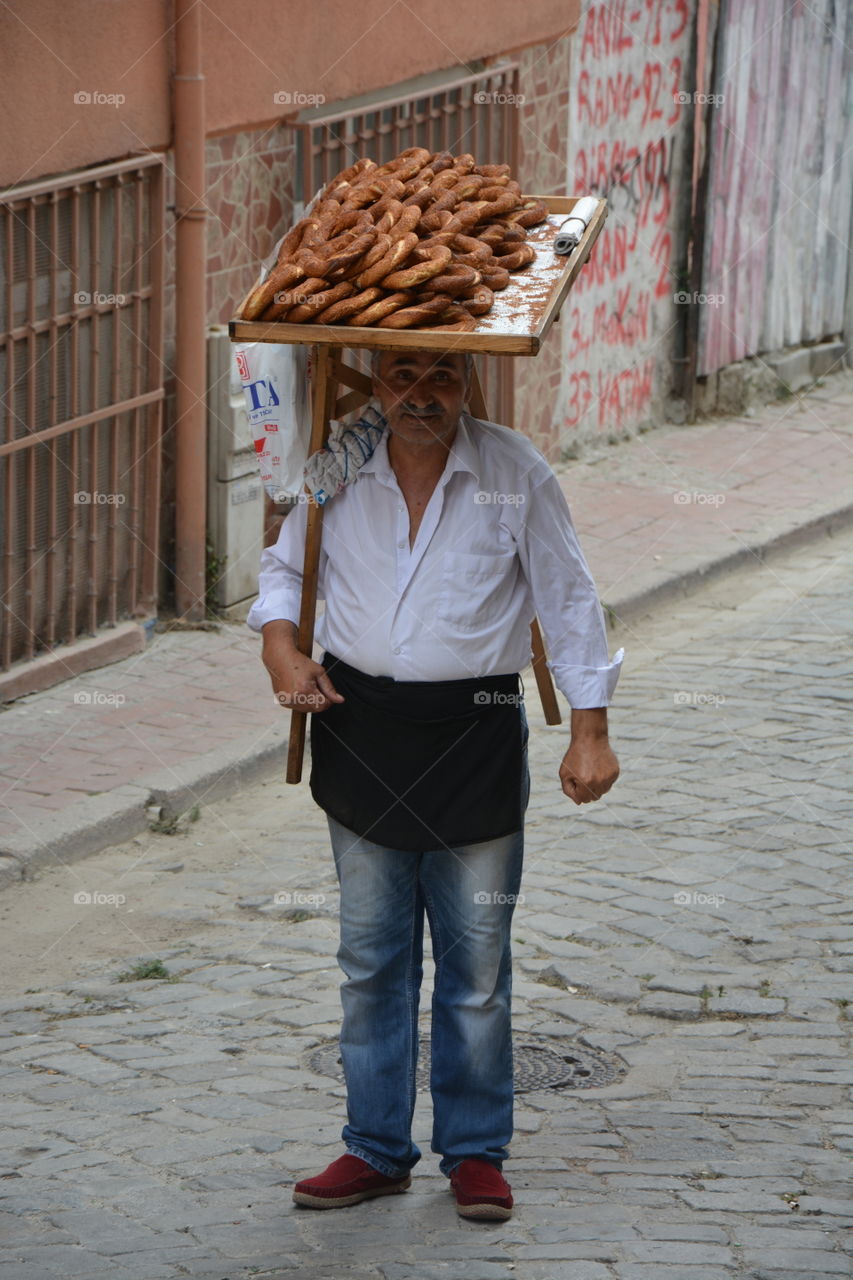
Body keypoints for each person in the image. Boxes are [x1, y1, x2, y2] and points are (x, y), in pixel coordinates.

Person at [247, 348, 622, 1221]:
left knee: (475, 967)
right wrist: (280, 647)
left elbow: (567, 598)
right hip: (364, 732)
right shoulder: (335, 470)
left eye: (440, 377)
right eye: (401, 375)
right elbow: (282, 573)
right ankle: (374, 1148)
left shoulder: (513, 472)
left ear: (466, 382)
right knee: (370, 963)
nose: (420, 396)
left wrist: (591, 733)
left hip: (475, 736)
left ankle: (476, 1152)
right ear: (377, 381)